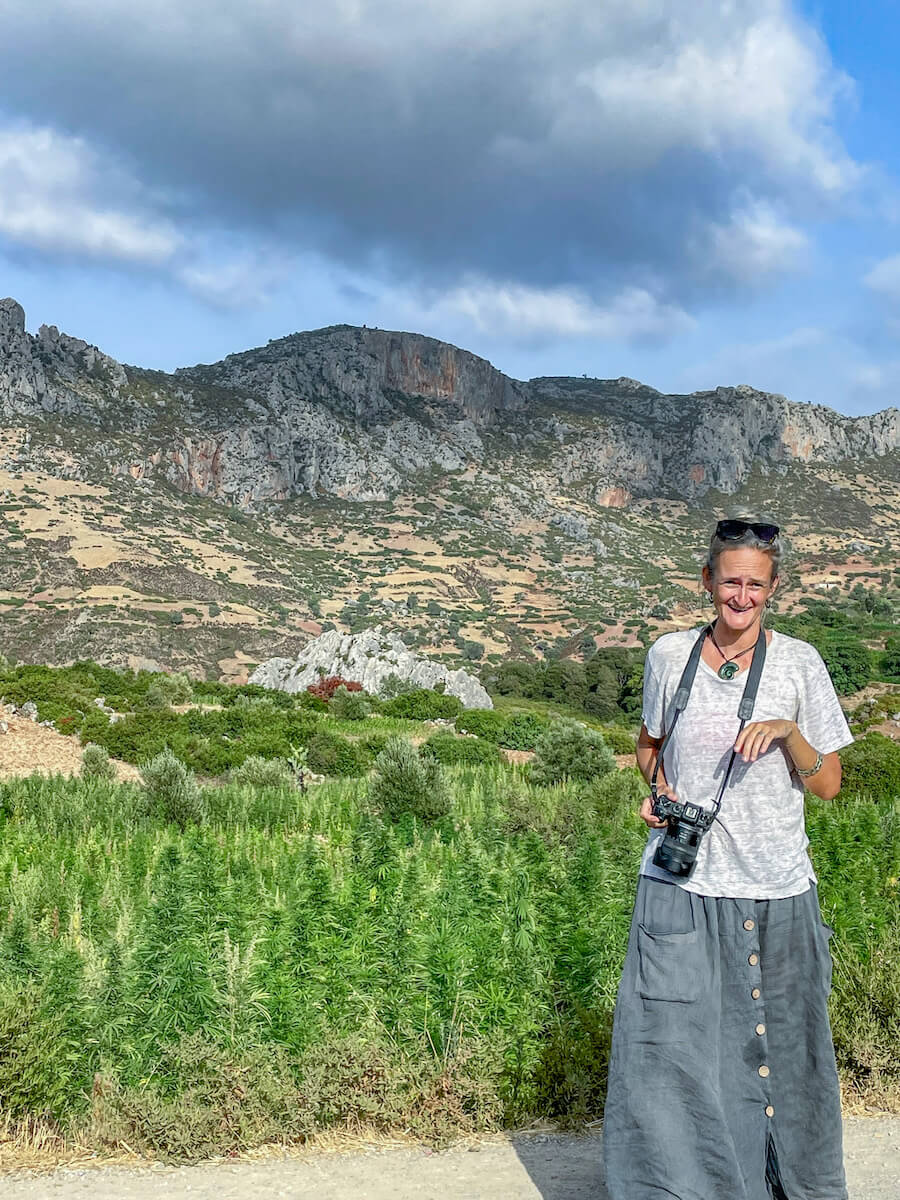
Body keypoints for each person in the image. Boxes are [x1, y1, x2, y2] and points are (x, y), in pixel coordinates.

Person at [602, 516, 854, 1200]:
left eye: (756, 585)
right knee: (671, 1059)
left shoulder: (799, 663)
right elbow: (649, 744)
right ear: (706, 581)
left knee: (788, 1057)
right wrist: (657, 791)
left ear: (774, 591)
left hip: (777, 886)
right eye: (729, 581)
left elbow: (828, 784)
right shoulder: (667, 656)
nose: (741, 596)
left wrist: (789, 733)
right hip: (682, 884)